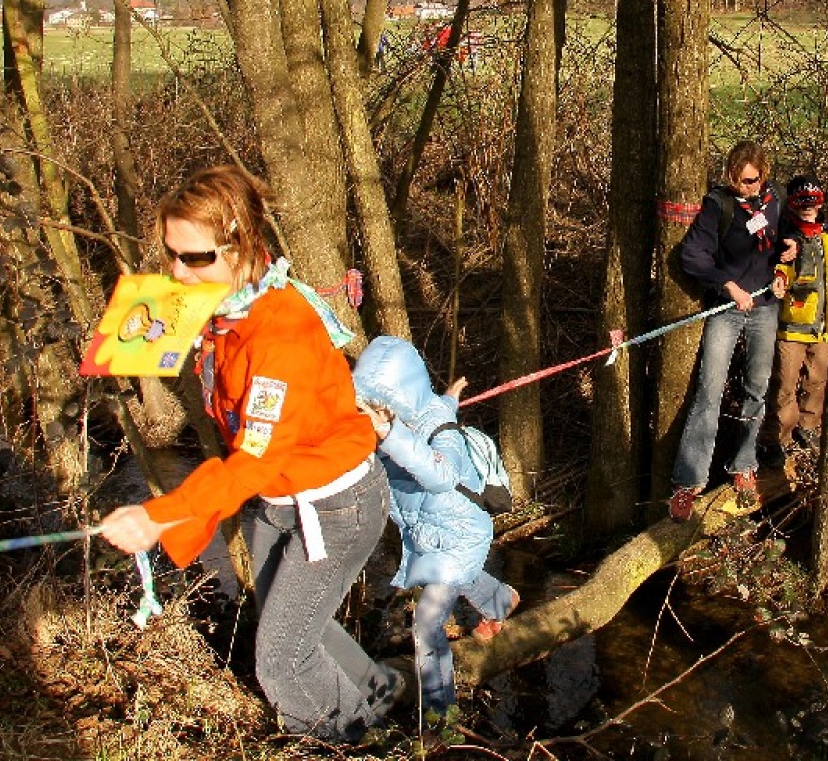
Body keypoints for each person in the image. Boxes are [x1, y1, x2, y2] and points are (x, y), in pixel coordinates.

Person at [99, 165, 401, 743]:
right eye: (170, 255)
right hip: (280, 497)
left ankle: (361, 743)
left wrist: (160, 515)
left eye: (195, 257)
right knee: (296, 622)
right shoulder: (227, 301)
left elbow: (256, 459)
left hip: (335, 507)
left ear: (242, 246)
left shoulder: (279, 335)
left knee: (282, 660)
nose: (177, 272)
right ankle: (383, 693)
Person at [351, 336, 519, 721]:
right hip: (434, 533)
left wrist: (389, 434)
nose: (375, 413)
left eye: (382, 405)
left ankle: (441, 713)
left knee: (426, 624)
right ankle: (501, 600)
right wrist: (451, 397)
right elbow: (436, 407)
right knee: (463, 576)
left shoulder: (437, 431)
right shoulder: (414, 411)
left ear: (401, 397)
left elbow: (441, 473)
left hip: (460, 535)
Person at [669, 141, 797, 522]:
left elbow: (789, 241)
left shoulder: (776, 200)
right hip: (726, 309)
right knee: (709, 390)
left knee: (757, 388)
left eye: (752, 181)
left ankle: (744, 464)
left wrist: (785, 263)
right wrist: (728, 286)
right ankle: (688, 480)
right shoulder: (718, 205)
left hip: (766, 308)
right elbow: (692, 255)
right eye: (739, 181)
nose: (745, 188)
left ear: (764, 175)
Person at [760, 176, 828, 464]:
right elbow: (779, 265)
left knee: (817, 380)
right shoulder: (785, 238)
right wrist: (779, 276)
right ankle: (777, 438)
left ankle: (808, 426)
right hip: (791, 327)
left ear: (821, 204)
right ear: (792, 206)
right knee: (784, 385)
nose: (808, 209)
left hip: (824, 327)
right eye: (801, 204)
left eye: (813, 203)